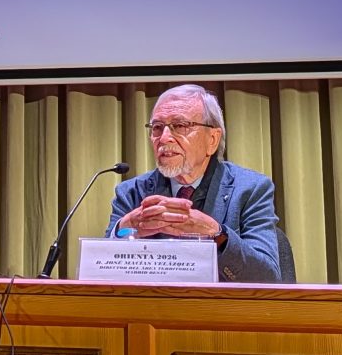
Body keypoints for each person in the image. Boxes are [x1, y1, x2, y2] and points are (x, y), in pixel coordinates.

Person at [106, 84, 282, 282]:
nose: (163, 138)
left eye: (180, 126)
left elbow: (267, 277)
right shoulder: (131, 193)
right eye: (157, 128)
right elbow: (102, 274)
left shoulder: (251, 189)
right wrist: (121, 231)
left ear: (212, 140)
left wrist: (217, 235)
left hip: (221, 309)